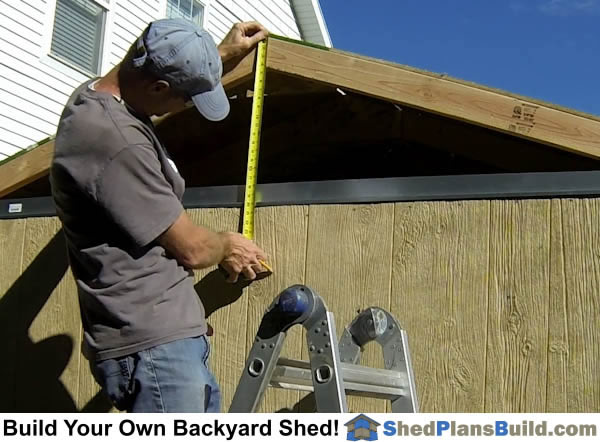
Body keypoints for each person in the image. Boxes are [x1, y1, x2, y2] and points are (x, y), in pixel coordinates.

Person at [49, 18, 270, 412]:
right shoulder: (116, 142)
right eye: (186, 98)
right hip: (155, 351)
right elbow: (191, 250)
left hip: (164, 344)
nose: (186, 107)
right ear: (157, 87)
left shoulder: (95, 97)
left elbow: (154, 77)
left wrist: (213, 60)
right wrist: (227, 245)